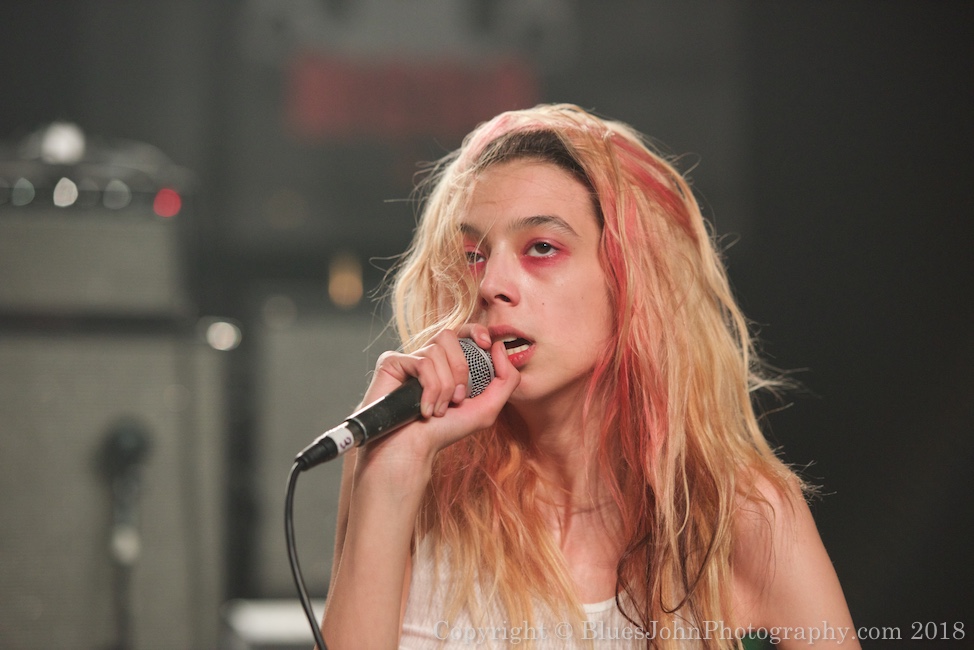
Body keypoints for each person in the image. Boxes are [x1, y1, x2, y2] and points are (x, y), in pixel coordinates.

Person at [320, 104, 858, 649]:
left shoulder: (741, 515)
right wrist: (392, 474)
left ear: (630, 279)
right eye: (473, 256)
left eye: (542, 248)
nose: (493, 284)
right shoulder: (407, 477)